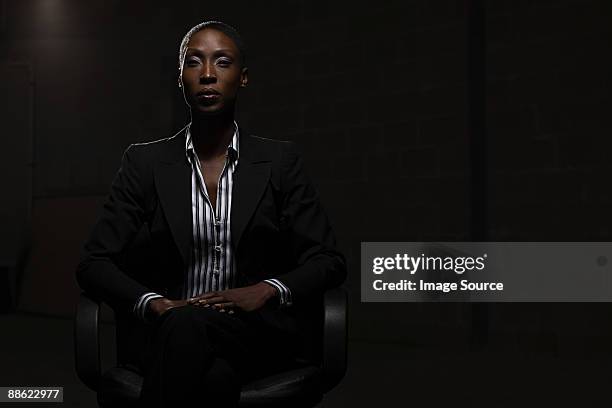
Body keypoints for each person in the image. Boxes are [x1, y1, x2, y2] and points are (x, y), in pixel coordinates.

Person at [75, 20, 346, 407]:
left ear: (243, 77)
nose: (206, 75)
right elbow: (94, 263)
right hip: (167, 332)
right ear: (180, 77)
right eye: (193, 62)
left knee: (191, 354)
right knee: (212, 375)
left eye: (222, 62)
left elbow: (329, 261)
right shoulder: (145, 163)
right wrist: (155, 304)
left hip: (255, 335)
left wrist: (265, 290)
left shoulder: (279, 162)